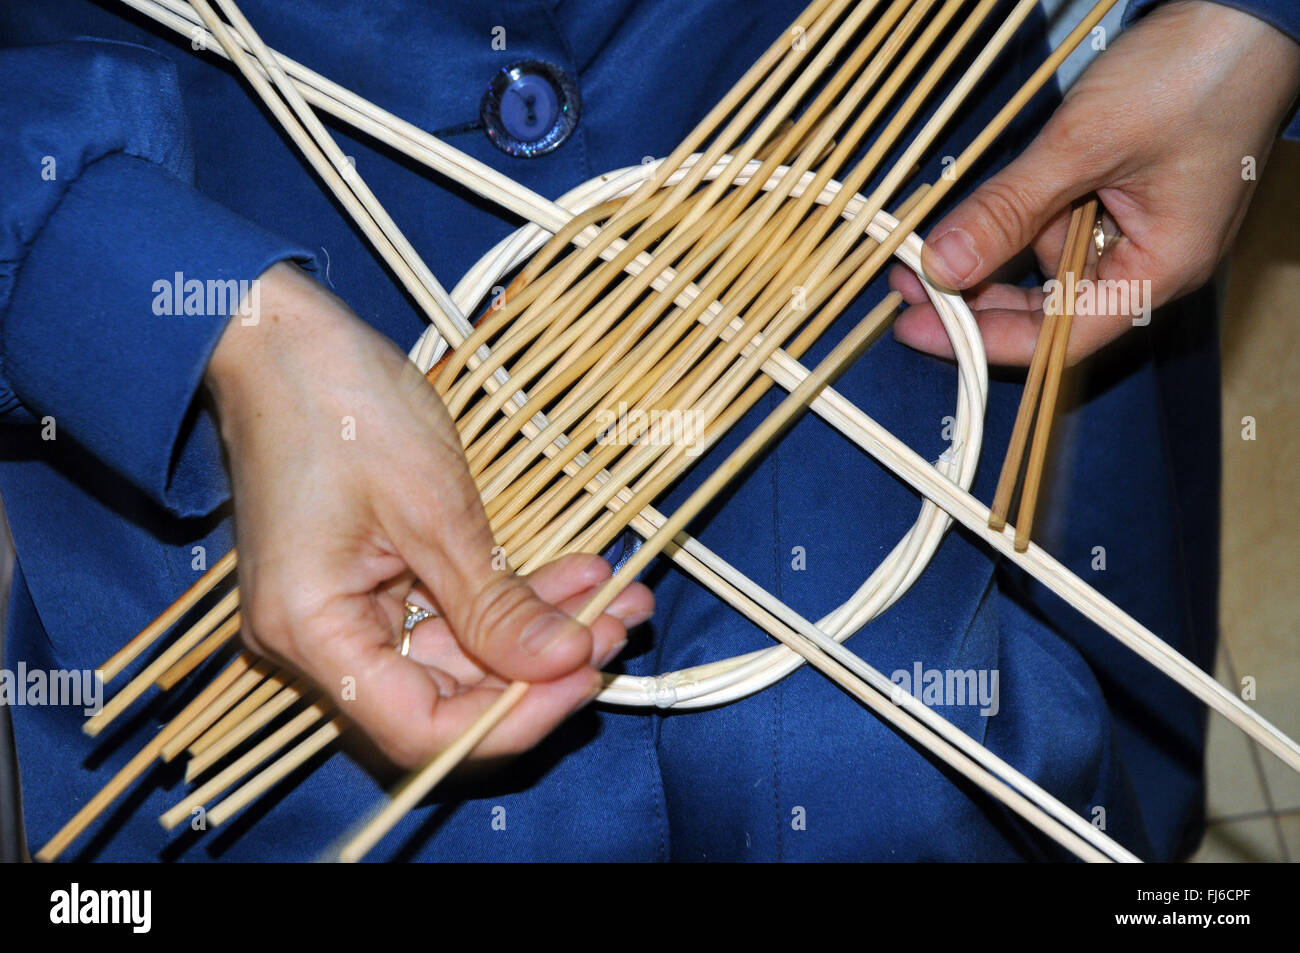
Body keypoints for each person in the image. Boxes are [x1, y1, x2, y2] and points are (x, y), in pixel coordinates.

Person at [0, 0, 1296, 862]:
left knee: (921, 741)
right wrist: (147, 284)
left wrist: (1246, 19)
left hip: (865, 108)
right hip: (209, 198)